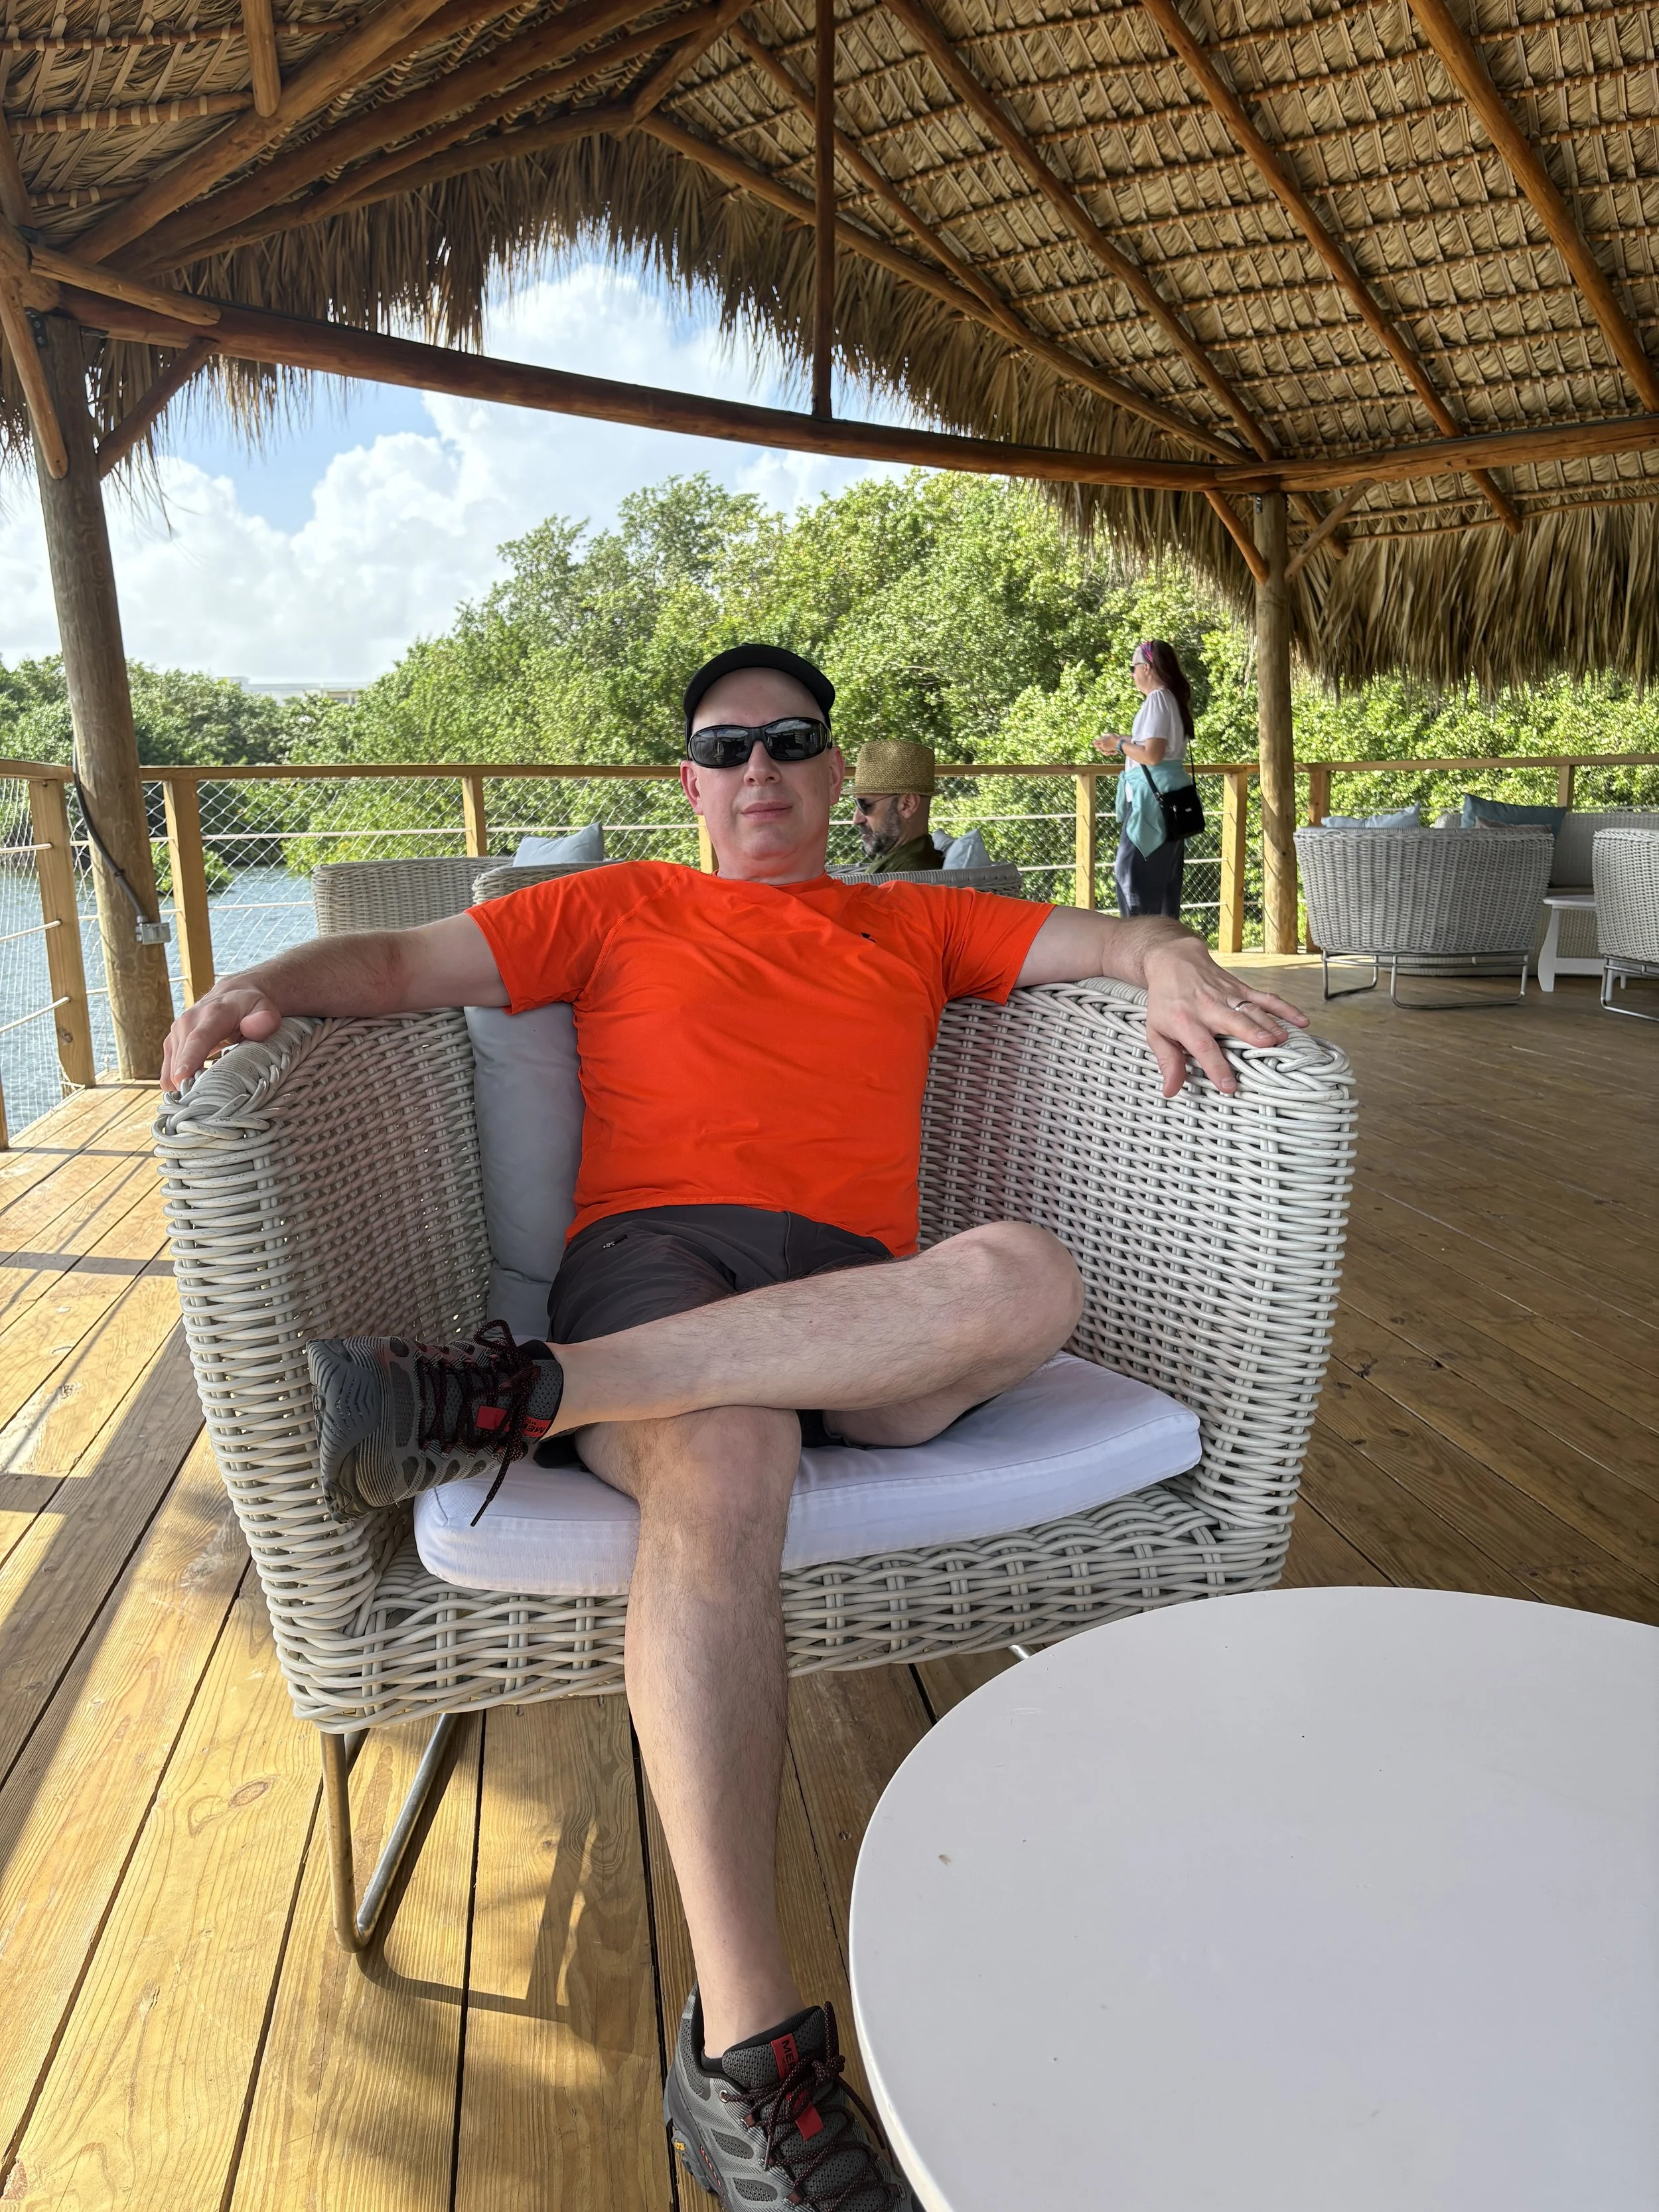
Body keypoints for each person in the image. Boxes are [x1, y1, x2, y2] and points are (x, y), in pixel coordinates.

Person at [161, 640, 1306, 2212]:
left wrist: (1170, 953)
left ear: (838, 777)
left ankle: (512, 1397)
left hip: (860, 1304)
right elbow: (397, 966)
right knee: (728, 1453)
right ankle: (754, 2056)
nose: (757, 770)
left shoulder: (916, 919)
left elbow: (1107, 938)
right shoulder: (615, 905)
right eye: (725, 749)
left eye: (791, 742)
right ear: (688, 784)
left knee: (1028, 1276)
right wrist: (257, 986)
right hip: (655, 1264)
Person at [1094, 638, 1199, 921]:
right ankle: (1160, 958)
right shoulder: (1169, 699)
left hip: (1151, 807)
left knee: (1134, 882)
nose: (1132, 673)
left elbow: (1152, 755)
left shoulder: (1157, 700)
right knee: (1162, 886)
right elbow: (1156, 747)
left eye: (1134, 666)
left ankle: (1138, 958)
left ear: (1148, 668)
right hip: (1167, 802)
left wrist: (1118, 745)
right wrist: (1120, 741)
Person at [851, 737, 944, 873]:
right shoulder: (896, 861)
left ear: (907, 805)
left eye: (863, 805)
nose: (856, 819)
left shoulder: (910, 877)